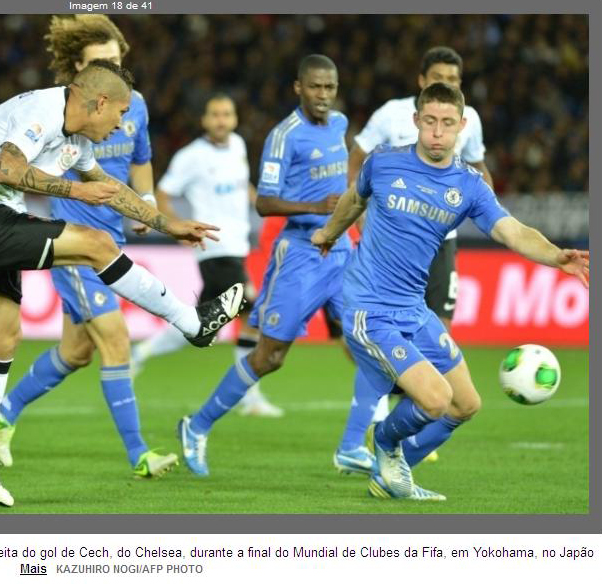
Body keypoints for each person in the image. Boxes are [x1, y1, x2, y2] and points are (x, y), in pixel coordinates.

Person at [0, 59, 246, 507]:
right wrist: (77, 193)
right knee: (96, 243)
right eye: (119, 115)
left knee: (3, 338)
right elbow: (6, 168)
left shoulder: (76, 142)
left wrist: (167, 225)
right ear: (99, 103)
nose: (121, 127)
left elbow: (111, 188)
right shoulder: (40, 113)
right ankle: (193, 323)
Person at [311, 82, 589, 500]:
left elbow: (511, 230)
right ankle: (385, 446)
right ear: (416, 122)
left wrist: (555, 257)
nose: (437, 132)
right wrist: (329, 232)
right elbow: (354, 199)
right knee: (436, 399)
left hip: (413, 308)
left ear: (461, 125)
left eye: (446, 123)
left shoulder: (469, 184)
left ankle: (392, 474)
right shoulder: (383, 163)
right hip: (370, 307)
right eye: (429, 122)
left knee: (465, 403)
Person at [0, 15, 179, 479]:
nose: (113, 69)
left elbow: (141, 160)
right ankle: (140, 455)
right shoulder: (63, 118)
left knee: (76, 351)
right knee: (116, 340)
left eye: (117, 61)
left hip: (111, 241)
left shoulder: (135, 107)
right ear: (79, 69)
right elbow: (19, 166)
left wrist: (147, 202)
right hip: (75, 242)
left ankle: (4, 413)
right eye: (102, 63)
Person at [176, 55, 351, 476]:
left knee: (364, 337)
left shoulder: (342, 126)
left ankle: (369, 444)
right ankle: (197, 426)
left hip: (342, 251)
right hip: (301, 253)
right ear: (298, 88)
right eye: (315, 87)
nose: (323, 96)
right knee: (270, 356)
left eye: (329, 87)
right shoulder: (284, 136)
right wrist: (315, 206)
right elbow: (264, 201)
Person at [341, 47, 493, 446]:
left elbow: (478, 168)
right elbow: (358, 158)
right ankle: (393, 420)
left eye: (456, 80)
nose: (448, 83)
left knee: (438, 333)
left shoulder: (469, 119)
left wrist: (490, 209)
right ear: (421, 81)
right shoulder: (390, 116)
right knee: (376, 340)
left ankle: (415, 418)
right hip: (390, 243)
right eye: (440, 76)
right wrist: (356, 211)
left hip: (443, 242)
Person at [129, 93, 284, 418]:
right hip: (213, 247)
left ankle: (140, 353)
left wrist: (266, 206)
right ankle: (250, 398)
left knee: (201, 326)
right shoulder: (191, 156)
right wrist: (175, 228)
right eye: (215, 115)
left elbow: (244, 187)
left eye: (227, 114)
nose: (221, 120)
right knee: (251, 308)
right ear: (204, 120)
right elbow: (164, 193)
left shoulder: (239, 146)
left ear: (235, 119)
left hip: (238, 247)